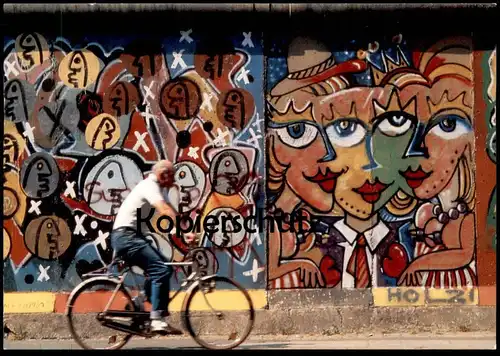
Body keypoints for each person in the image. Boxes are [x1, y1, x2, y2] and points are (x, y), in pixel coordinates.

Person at [110, 159, 196, 334]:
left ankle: (144, 302)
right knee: (160, 269)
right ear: (163, 174)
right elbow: (164, 210)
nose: (174, 181)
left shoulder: (158, 188)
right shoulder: (149, 186)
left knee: (164, 267)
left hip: (130, 236)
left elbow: (170, 211)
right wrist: (183, 231)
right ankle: (156, 318)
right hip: (126, 237)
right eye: (172, 176)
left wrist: (183, 232)